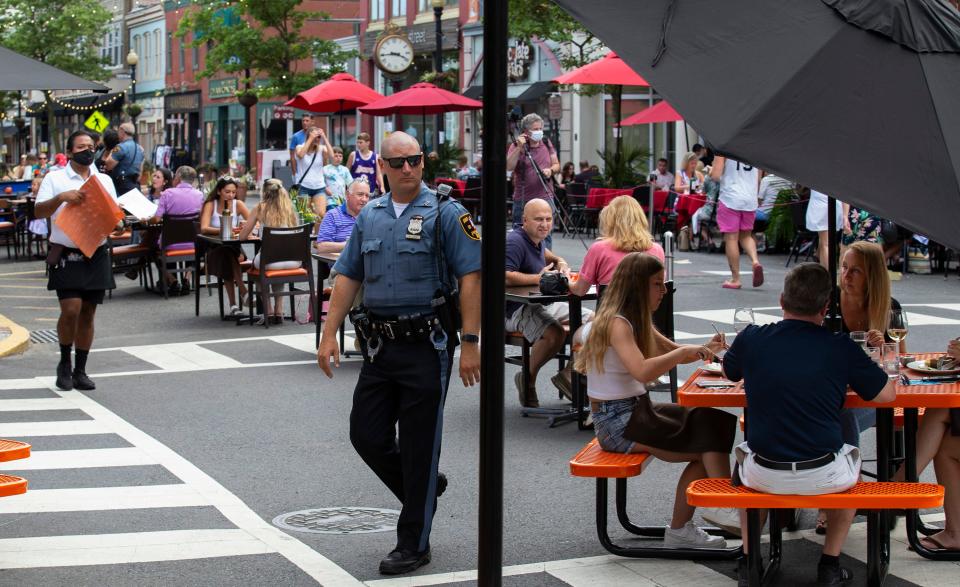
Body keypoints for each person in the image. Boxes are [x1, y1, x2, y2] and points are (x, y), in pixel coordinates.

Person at [316, 131, 481, 576]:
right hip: (379, 345)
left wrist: (471, 342)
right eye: (398, 162)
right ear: (382, 168)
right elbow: (348, 274)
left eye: (415, 160)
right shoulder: (369, 215)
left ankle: (413, 543)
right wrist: (329, 333)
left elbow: (470, 277)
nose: (408, 168)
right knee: (365, 434)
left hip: (429, 346)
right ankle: (423, 487)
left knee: (419, 444)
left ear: (423, 162)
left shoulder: (447, 212)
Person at [722, 262, 895, 585]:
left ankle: (749, 558)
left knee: (742, 459)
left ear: (781, 300)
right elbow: (886, 395)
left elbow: (728, 373)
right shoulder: (840, 347)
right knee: (852, 462)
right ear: (826, 306)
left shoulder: (752, 338)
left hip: (764, 471)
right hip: (823, 473)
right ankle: (829, 564)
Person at [574, 252, 736, 548]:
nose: (664, 290)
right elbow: (643, 370)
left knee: (711, 420)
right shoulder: (617, 324)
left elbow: (670, 346)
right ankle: (726, 509)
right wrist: (684, 354)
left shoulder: (626, 318)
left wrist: (701, 349)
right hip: (618, 422)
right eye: (657, 284)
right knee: (706, 437)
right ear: (638, 287)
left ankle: (709, 514)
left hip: (632, 411)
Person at [34, 130, 120, 392]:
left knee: (88, 313)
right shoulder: (55, 178)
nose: (87, 150)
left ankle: (80, 369)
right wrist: (62, 197)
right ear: (70, 151)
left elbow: (114, 216)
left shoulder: (103, 180)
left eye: (91, 146)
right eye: (81, 146)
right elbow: (38, 211)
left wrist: (117, 224)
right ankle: (64, 363)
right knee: (70, 309)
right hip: (66, 253)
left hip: (96, 252)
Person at [505, 198, 579, 407]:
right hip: (514, 308)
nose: (544, 224)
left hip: (542, 303)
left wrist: (561, 264)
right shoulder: (515, 241)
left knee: (595, 323)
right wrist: (539, 278)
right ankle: (527, 378)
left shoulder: (537, 240)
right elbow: (504, 276)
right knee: (554, 333)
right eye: (538, 219)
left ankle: (569, 375)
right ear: (524, 220)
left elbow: (554, 258)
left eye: (548, 219)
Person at [570, 195, 665, 296]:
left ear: (610, 220)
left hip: (611, 310)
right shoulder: (657, 249)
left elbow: (580, 290)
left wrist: (566, 279)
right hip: (647, 311)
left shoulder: (599, 248)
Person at [238, 179, 302, 325]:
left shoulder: (260, 208)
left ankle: (269, 310)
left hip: (270, 261)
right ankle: (279, 310)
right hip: (294, 260)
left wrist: (252, 233)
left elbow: (242, 236)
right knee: (277, 264)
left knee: (257, 269)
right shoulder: (290, 208)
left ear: (264, 192)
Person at [507, 113, 560, 247]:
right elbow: (509, 166)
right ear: (526, 132)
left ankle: (546, 263)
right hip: (523, 198)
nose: (539, 132)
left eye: (540, 128)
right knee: (521, 234)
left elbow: (557, 165)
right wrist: (519, 147)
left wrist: (551, 170)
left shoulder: (547, 142)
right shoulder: (516, 145)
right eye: (536, 129)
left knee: (546, 233)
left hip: (545, 195)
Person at [199, 176, 251, 315]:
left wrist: (244, 226)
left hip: (235, 249)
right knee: (226, 254)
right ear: (219, 191)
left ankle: (234, 305)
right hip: (214, 248)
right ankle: (243, 291)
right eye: (227, 192)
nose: (231, 195)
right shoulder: (211, 204)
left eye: (234, 192)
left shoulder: (237, 204)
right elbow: (204, 228)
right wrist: (226, 229)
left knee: (228, 254)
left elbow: (254, 222)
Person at [710, 155, 763, 289]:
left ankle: (736, 278)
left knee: (731, 238)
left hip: (730, 197)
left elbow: (716, 175)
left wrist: (711, 170)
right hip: (750, 198)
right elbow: (758, 178)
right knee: (746, 236)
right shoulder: (754, 148)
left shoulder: (723, 149)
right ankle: (755, 261)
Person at [315, 179, 371, 254]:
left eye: (367, 196)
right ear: (348, 195)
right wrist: (351, 244)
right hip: (342, 263)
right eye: (360, 194)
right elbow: (322, 247)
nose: (364, 199)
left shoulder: (371, 216)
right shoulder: (333, 215)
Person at [294, 125, 332, 224]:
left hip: (319, 187)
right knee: (305, 217)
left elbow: (332, 156)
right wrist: (311, 138)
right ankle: (306, 238)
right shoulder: (300, 147)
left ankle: (316, 238)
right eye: (316, 136)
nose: (317, 139)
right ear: (309, 136)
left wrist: (324, 137)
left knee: (321, 215)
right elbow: (301, 155)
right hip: (303, 187)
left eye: (318, 137)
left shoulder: (321, 149)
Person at [805, 190, 845, 269]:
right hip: (833, 204)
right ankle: (826, 270)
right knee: (826, 242)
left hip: (822, 204)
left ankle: (826, 272)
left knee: (826, 243)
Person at [103, 122, 144, 194]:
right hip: (135, 185)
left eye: (118, 131)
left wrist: (111, 151)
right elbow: (140, 172)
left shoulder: (120, 147)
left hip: (121, 187)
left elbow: (108, 165)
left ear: (122, 131)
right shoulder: (140, 148)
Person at [322, 146, 354, 211]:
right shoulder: (325, 169)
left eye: (340, 156)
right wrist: (325, 188)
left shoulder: (345, 170)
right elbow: (320, 183)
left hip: (342, 200)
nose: (338, 158)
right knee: (333, 215)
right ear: (331, 156)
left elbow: (351, 184)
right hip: (330, 200)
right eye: (336, 156)